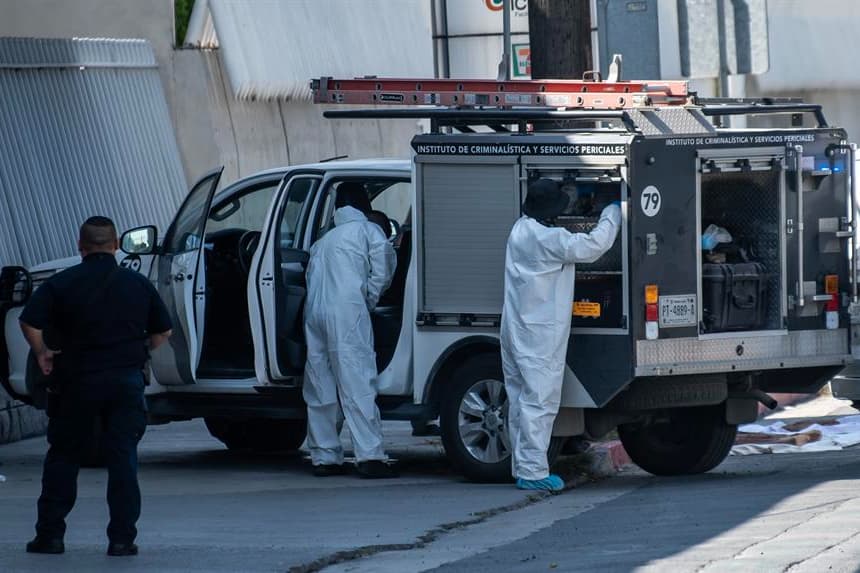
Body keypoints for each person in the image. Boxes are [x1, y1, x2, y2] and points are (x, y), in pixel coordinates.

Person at [19, 216, 172, 556]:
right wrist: (140, 351)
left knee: (63, 457)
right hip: (125, 382)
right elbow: (164, 330)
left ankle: (50, 537)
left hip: (75, 382)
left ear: (81, 246)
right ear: (116, 245)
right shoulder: (137, 283)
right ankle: (121, 540)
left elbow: (29, 321)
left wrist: (42, 353)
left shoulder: (62, 282)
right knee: (123, 459)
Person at [501, 179, 621, 492]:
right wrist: (613, 211)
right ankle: (532, 472)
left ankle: (521, 466)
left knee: (520, 399)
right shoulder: (548, 238)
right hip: (538, 334)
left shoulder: (520, 229)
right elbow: (594, 246)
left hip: (515, 327)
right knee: (539, 402)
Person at [303, 182, 398, 478]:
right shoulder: (368, 231)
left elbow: (310, 277)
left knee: (320, 385)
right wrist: (367, 300)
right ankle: (370, 457)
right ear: (364, 204)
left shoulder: (323, 241)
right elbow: (382, 272)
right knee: (357, 382)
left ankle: (324, 457)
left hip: (315, 313)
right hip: (347, 312)